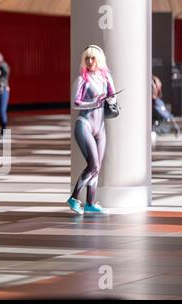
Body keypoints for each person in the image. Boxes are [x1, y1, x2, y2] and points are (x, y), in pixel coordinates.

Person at [67, 45, 116, 215]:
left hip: (100, 127)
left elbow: (112, 95)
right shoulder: (82, 80)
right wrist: (94, 103)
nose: (89, 61)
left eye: (92, 58)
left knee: (97, 167)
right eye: (86, 58)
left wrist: (111, 99)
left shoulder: (105, 77)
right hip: (85, 125)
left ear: (99, 60)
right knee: (93, 164)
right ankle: (74, 198)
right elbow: (74, 103)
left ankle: (90, 203)